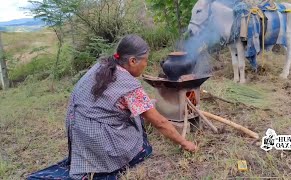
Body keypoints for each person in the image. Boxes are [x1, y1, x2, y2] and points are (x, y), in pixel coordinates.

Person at [65, 34, 197, 179]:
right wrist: (185, 143)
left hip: (78, 129)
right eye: (145, 60)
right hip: (97, 138)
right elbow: (160, 122)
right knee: (140, 144)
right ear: (133, 61)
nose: (146, 64)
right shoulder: (128, 84)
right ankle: (106, 160)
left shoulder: (103, 65)